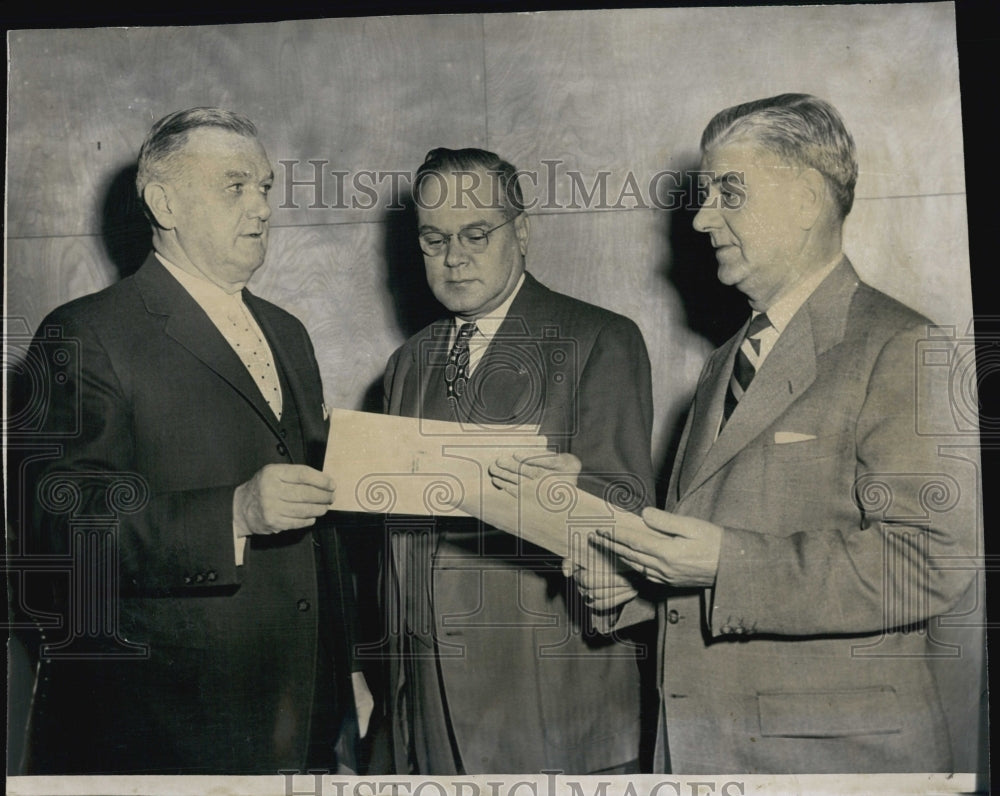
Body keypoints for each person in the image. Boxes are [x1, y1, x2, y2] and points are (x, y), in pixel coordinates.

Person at [505, 94, 981, 773]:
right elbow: (723, 546)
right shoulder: (728, 359)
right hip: (706, 754)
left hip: (832, 765)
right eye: (704, 196)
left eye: (730, 192)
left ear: (809, 197)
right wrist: (642, 587)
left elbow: (930, 562)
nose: (702, 220)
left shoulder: (904, 346)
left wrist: (726, 567)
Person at [16, 108, 367, 774]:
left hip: (303, 722)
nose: (262, 207)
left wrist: (344, 688)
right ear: (163, 201)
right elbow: (57, 531)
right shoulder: (84, 334)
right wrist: (230, 514)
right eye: (235, 186)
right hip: (167, 733)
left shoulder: (287, 332)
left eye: (265, 187)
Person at [381, 147, 656, 774]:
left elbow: (630, 509)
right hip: (429, 711)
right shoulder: (406, 363)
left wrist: (573, 493)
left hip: (550, 703)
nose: (454, 256)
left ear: (522, 232)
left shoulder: (599, 338)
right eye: (433, 239)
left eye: (476, 233)